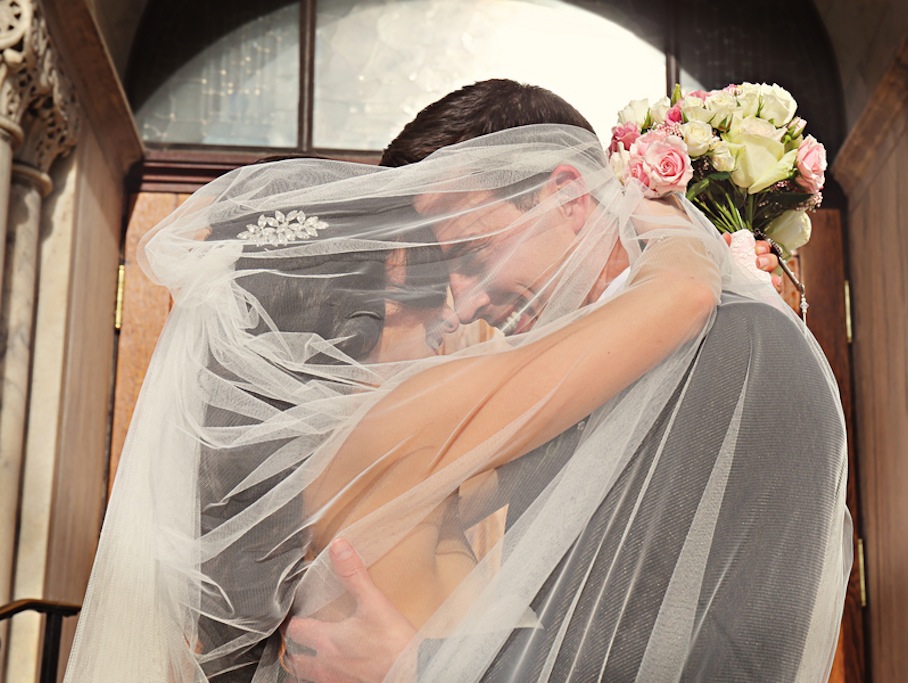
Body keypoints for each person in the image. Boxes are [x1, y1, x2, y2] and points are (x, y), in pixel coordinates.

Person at [65, 91, 849, 683]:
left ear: (569, 197)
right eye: (440, 273)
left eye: (469, 255)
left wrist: (421, 667)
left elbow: (742, 648)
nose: (464, 304)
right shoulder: (536, 380)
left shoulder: (750, 348)